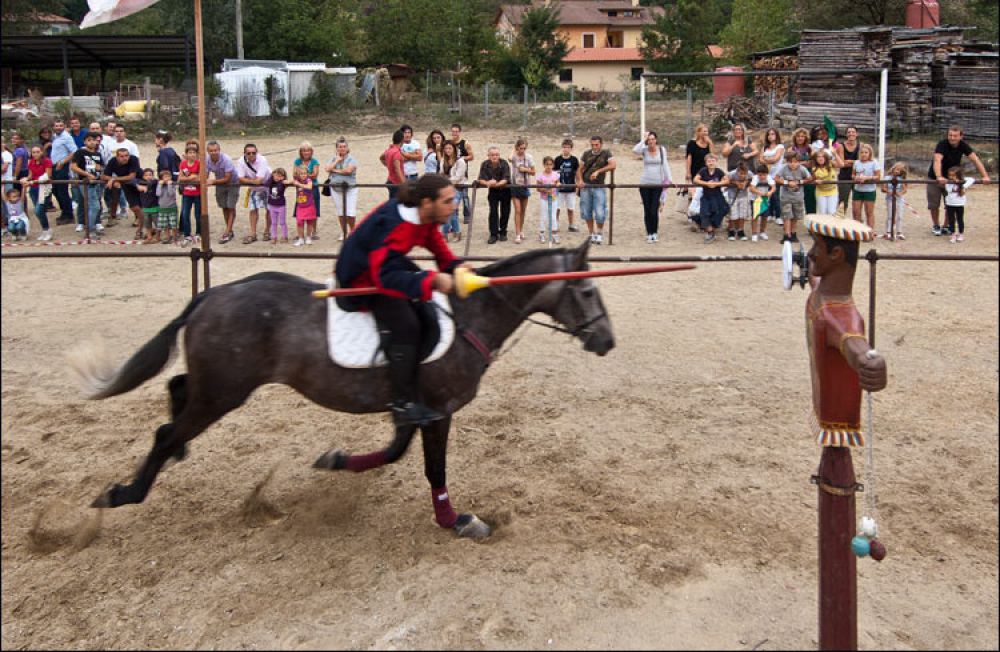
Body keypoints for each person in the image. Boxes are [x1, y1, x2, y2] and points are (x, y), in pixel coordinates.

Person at [334, 174, 468, 427]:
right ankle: (402, 403)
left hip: (384, 263)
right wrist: (434, 281)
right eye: (448, 201)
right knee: (407, 324)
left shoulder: (425, 216)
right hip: (361, 277)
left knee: (424, 306)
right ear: (427, 202)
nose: (455, 205)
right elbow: (383, 277)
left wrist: (455, 267)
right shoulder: (396, 225)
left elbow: (435, 244)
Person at [804, 213, 887, 448]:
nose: (811, 254)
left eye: (816, 247)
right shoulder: (823, 295)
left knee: (836, 469)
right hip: (827, 409)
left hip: (838, 423)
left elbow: (854, 343)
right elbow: (815, 279)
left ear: (836, 254)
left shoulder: (839, 316)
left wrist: (868, 360)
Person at [926, 125, 990, 236]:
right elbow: (937, 160)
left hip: (952, 179)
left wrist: (985, 176)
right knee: (934, 204)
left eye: (955, 136)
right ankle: (936, 225)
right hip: (935, 178)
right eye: (950, 135)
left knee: (950, 203)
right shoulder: (942, 144)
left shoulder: (963, 146)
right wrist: (939, 176)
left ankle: (946, 226)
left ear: (961, 136)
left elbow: (975, 160)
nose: (952, 138)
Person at [633, 130, 672, 243]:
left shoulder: (661, 150)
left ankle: (654, 232)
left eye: (653, 139)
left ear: (656, 140)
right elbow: (635, 150)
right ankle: (649, 233)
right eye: (649, 139)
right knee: (647, 209)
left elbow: (665, 164)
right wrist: (643, 140)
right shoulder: (644, 150)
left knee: (654, 209)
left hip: (657, 183)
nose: (651, 141)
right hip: (645, 183)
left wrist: (669, 179)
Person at [577, 135, 616, 244]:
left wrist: (599, 171)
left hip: (599, 186)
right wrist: (580, 180)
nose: (594, 147)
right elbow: (579, 169)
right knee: (586, 211)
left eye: (596, 144)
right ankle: (591, 234)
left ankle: (599, 233)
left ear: (601, 144)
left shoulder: (606, 153)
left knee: (600, 212)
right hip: (586, 186)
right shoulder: (586, 154)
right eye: (592, 145)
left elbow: (613, 165)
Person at [101, 147, 143, 238]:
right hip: (125, 184)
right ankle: (113, 216)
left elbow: (131, 176)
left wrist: (114, 179)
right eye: (122, 156)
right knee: (133, 205)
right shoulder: (113, 161)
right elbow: (104, 176)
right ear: (117, 157)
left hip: (139, 182)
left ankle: (142, 224)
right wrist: (113, 180)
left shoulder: (133, 159)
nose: (125, 158)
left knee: (139, 205)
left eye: (126, 155)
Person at [69, 132, 104, 236]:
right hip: (85, 183)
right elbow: (74, 166)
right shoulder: (80, 152)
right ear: (85, 141)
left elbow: (100, 167)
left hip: (96, 182)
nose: (92, 142)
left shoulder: (97, 154)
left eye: (94, 140)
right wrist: (87, 174)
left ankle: (93, 226)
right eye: (89, 140)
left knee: (95, 205)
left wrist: (100, 170)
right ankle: (90, 230)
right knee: (94, 206)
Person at [235, 143, 271, 244]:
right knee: (253, 209)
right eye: (249, 153)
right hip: (254, 188)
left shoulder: (262, 160)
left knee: (269, 209)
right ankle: (253, 233)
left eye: (253, 153)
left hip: (268, 186)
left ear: (257, 153)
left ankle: (267, 231)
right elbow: (240, 178)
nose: (251, 155)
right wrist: (253, 181)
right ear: (244, 154)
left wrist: (248, 180)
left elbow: (259, 180)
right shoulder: (241, 161)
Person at [206, 140, 239, 244]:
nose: (213, 152)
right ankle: (229, 229)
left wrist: (212, 181)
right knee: (224, 206)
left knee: (231, 206)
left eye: (215, 150)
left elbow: (228, 178)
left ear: (219, 150)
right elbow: (205, 175)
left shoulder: (226, 159)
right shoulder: (207, 160)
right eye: (211, 151)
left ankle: (228, 231)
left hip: (232, 183)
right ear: (208, 151)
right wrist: (205, 183)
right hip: (219, 183)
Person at [476, 146, 511, 244]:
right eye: (492, 155)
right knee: (493, 212)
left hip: (505, 190)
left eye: (496, 155)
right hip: (493, 191)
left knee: (505, 211)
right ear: (488, 156)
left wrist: (495, 184)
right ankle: (493, 234)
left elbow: (506, 178)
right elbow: (480, 178)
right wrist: (487, 183)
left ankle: (503, 232)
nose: (495, 157)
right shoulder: (485, 164)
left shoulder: (504, 163)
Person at [326, 137, 359, 240]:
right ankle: (344, 233)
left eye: (344, 146)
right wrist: (337, 161)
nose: (342, 149)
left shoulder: (352, 159)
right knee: (341, 212)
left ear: (347, 148)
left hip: (350, 189)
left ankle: (353, 232)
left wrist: (334, 170)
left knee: (351, 213)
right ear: (336, 148)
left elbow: (348, 171)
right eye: (340, 147)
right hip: (336, 189)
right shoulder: (333, 159)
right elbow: (327, 169)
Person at [776, 150, 811, 244]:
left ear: (799, 162)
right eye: (790, 162)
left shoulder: (802, 169)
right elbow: (776, 178)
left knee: (795, 216)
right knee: (786, 216)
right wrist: (787, 182)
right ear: (787, 162)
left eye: (795, 162)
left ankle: (793, 232)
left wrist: (799, 182)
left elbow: (809, 178)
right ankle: (787, 234)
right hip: (785, 197)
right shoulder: (784, 168)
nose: (793, 164)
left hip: (798, 197)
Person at [693, 153, 728, 243]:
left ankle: (713, 227)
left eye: (713, 161)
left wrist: (716, 184)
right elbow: (695, 179)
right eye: (709, 161)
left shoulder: (719, 171)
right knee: (704, 213)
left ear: (716, 162)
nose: (711, 163)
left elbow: (727, 180)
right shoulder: (703, 171)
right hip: (706, 196)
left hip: (717, 195)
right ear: (706, 163)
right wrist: (707, 183)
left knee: (724, 209)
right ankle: (710, 232)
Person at [20, 145, 53, 240]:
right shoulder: (31, 162)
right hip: (34, 189)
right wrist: (26, 178)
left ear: (42, 152)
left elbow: (48, 175)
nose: (35, 154)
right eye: (33, 152)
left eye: (37, 152)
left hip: (44, 189)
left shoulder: (47, 161)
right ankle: (45, 230)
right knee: (40, 212)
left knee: (38, 210)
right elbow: (30, 175)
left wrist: (33, 181)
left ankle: (47, 229)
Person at [685, 123, 713, 229]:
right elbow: (688, 158)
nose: (706, 133)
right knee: (693, 193)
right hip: (694, 171)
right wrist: (687, 172)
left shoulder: (708, 144)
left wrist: (710, 143)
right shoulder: (692, 143)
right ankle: (691, 214)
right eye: (704, 131)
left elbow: (713, 155)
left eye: (707, 131)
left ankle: (701, 214)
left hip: (706, 172)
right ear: (699, 132)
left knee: (704, 194)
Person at [49, 120, 77, 225]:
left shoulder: (67, 137)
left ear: (64, 126)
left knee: (62, 192)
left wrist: (63, 162)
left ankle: (69, 215)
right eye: (56, 125)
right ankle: (64, 212)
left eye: (61, 125)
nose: (58, 127)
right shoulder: (56, 136)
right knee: (56, 191)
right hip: (54, 166)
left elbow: (74, 151)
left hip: (62, 167)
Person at [509, 138, 535, 244]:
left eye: (524, 148)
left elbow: (533, 172)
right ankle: (517, 233)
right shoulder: (514, 156)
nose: (522, 150)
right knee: (518, 210)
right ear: (517, 148)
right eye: (520, 148)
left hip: (525, 185)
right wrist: (513, 149)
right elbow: (509, 158)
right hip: (515, 185)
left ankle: (521, 229)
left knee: (523, 211)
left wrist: (526, 170)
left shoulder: (529, 157)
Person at [758, 127, 785, 228]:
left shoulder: (780, 147)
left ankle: (778, 215)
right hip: (766, 174)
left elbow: (776, 159)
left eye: (773, 134)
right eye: (769, 134)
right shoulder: (765, 147)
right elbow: (760, 159)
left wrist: (766, 159)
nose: (770, 136)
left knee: (776, 195)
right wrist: (768, 160)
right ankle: (769, 214)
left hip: (777, 174)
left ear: (776, 135)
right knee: (767, 194)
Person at [178, 141, 202, 245]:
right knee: (185, 214)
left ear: (196, 154)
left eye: (194, 152)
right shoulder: (183, 164)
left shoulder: (199, 163)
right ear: (186, 154)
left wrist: (188, 178)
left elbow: (199, 179)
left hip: (197, 193)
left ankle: (198, 233)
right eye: (190, 152)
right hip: (186, 193)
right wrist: (192, 177)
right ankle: (187, 234)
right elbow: (180, 178)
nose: (192, 154)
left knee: (198, 214)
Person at [441, 141, 466, 242]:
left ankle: (444, 234)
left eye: (450, 148)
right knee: (452, 212)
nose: (448, 151)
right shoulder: (443, 160)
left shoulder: (460, 161)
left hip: (457, 189)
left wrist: (446, 180)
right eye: (446, 148)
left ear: (454, 149)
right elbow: (441, 173)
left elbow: (458, 177)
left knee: (450, 211)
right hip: (446, 189)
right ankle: (457, 232)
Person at [293, 141, 321, 232]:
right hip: (301, 189)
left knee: (314, 209)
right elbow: (294, 174)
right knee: (300, 208)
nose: (306, 152)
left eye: (308, 150)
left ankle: (314, 231)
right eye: (304, 150)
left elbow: (315, 175)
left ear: (311, 151)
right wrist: (306, 175)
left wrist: (302, 175)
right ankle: (300, 231)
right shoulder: (297, 161)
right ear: (300, 152)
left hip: (313, 188)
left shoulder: (314, 161)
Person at [449, 123, 474, 222]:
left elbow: (472, 156)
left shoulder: (465, 143)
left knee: (465, 196)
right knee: (453, 195)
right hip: (451, 173)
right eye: (453, 131)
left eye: (456, 131)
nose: (454, 133)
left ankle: (467, 215)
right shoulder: (449, 143)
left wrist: (462, 158)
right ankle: (454, 214)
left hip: (463, 173)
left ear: (459, 132)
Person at [553, 138, 579, 232]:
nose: (566, 149)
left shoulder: (574, 160)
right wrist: (556, 183)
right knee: (557, 208)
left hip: (571, 188)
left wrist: (577, 185)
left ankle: (571, 224)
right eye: (564, 147)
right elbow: (554, 173)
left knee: (571, 208)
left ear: (571, 148)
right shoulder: (557, 159)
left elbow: (577, 173)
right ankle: (555, 224)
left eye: (568, 147)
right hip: (559, 189)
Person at [944, 166, 975, 244]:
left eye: (953, 175)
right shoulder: (948, 183)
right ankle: (953, 234)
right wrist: (954, 182)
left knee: (960, 219)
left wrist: (962, 184)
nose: (951, 177)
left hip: (959, 204)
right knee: (951, 220)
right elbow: (948, 189)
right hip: (950, 204)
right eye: (950, 175)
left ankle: (961, 234)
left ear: (958, 175)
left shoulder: (963, 182)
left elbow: (972, 179)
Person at [851, 144, 879, 230]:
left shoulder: (874, 162)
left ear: (870, 153)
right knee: (856, 212)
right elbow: (853, 174)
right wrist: (856, 178)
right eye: (862, 152)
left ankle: (870, 232)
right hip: (858, 190)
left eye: (866, 152)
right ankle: (858, 231)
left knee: (869, 212)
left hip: (869, 190)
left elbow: (878, 176)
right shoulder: (856, 162)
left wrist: (867, 178)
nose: (864, 154)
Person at [835, 126, 861, 215]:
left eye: (853, 132)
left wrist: (849, 161)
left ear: (857, 134)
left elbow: (863, 162)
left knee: (857, 203)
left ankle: (857, 223)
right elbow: (842, 163)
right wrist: (856, 162)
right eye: (849, 132)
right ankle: (840, 222)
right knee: (842, 202)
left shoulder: (861, 146)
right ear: (846, 134)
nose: (851, 134)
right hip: (844, 177)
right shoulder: (841, 146)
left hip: (858, 177)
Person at [788, 127, 814, 214]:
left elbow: (812, 163)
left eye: (802, 136)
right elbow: (790, 164)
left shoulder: (810, 148)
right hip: (794, 176)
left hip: (808, 176)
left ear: (806, 138)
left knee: (810, 199)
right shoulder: (791, 149)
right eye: (798, 136)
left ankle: (811, 218)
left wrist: (798, 163)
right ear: (795, 137)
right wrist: (804, 162)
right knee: (794, 198)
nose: (800, 138)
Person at [535, 155, 561, 244]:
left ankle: (554, 234)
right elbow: (538, 188)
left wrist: (557, 184)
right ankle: (541, 233)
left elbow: (558, 183)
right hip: (544, 199)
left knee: (553, 216)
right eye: (547, 164)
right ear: (544, 165)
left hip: (553, 198)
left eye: (550, 164)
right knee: (544, 216)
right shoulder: (540, 176)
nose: (549, 166)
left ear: (553, 165)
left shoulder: (556, 174)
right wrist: (546, 190)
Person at [290, 164, 317, 246]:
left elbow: (309, 187)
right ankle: (301, 238)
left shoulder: (309, 180)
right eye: (301, 174)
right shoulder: (297, 180)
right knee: (299, 222)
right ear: (298, 174)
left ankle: (308, 237)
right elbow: (290, 181)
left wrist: (299, 184)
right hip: (300, 206)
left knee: (309, 222)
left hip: (309, 205)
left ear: (307, 174)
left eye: (305, 173)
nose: (303, 175)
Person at [880, 161, 908, 240]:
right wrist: (890, 192)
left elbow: (905, 189)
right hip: (890, 199)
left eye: (899, 170)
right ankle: (888, 231)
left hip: (899, 200)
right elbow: (883, 188)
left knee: (899, 215)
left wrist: (900, 193)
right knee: (890, 215)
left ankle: (899, 232)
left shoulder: (901, 179)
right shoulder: (887, 178)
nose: (896, 171)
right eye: (896, 169)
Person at [748, 164, 775, 243]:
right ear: (757, 174)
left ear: (767, 174)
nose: (762, 177)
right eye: (760, 175)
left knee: (765, 217)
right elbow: (751, 188)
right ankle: (754, 234)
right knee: (755, 217)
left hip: (765, 200)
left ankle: (762, 232)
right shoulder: (755, 178)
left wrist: (770, 192)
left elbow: (773, 187)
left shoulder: (769, 178)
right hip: (755, 200)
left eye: (764, 175)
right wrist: (759, 192)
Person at [726, 160, 751, 241]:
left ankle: (740, 230)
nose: (743, 175)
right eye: (741, 174)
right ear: (737, 171)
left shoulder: (749, 173)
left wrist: (746, 182)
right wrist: (736, 182)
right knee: (733, 214)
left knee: (742, 214)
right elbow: (726, 180)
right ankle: (731, 230)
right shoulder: (732, 174)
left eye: (745, 174)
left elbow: (752, 178)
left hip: (743, 196)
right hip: (732, 196)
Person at [264, 167, 290, 245]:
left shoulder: (282, 183)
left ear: (283, 177)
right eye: (276, 175)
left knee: (282, 222)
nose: (277, 177)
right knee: (273, 223)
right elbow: (266, 184)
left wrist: (283, 180)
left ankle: (284, 236)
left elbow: (289, 182)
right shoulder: (271, 182)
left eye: (280, 176)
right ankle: (274, 237)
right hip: (272, 205)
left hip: (281, 205)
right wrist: (272, 177)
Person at [136, 168, 160, 244]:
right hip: (145, 207)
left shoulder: (155, 183)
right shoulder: (140, 183)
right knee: (147, 223)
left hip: (154, 206)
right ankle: (149, 236)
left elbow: (155, 182)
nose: (148, 176)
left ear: (153, 176)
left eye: (150, 175)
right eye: (146, 175)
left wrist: (150, 182)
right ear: (143, 176)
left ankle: (158, 237)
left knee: (157, 223)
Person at [812, 149, 840, 216]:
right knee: (822, 212)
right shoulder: (814, 168)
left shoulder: (830, 164)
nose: (820, 158)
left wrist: (835, 154)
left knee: (831, 211)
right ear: (816, 159)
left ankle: (831, 225)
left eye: (822, 156)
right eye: (818, 157)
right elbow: (812, 179)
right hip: (820, 191)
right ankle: (823, 226)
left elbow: (841, 165)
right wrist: (815, 181)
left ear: (826, 158)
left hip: (832, 191)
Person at [155, 169, 179, 244]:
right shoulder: (159, 186)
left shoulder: (172, 185)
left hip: (171, 207)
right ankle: (167, 237)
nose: (167, 178)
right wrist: (159, 185)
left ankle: (175, 237)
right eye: (165, 177)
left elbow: (171, 194)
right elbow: (158, 194)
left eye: (169, 176)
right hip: (162, 208)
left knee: (173, 224)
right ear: (161, 178)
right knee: (165, 225)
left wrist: (169, 185)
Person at [380, 129, 405, 200]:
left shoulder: (389, 150)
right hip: (396, 182)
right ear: (402, 140)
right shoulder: (397, 153)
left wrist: (388, 165)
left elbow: (381, 158)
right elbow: (398, 170)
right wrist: (404, 183)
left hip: (390, 180)